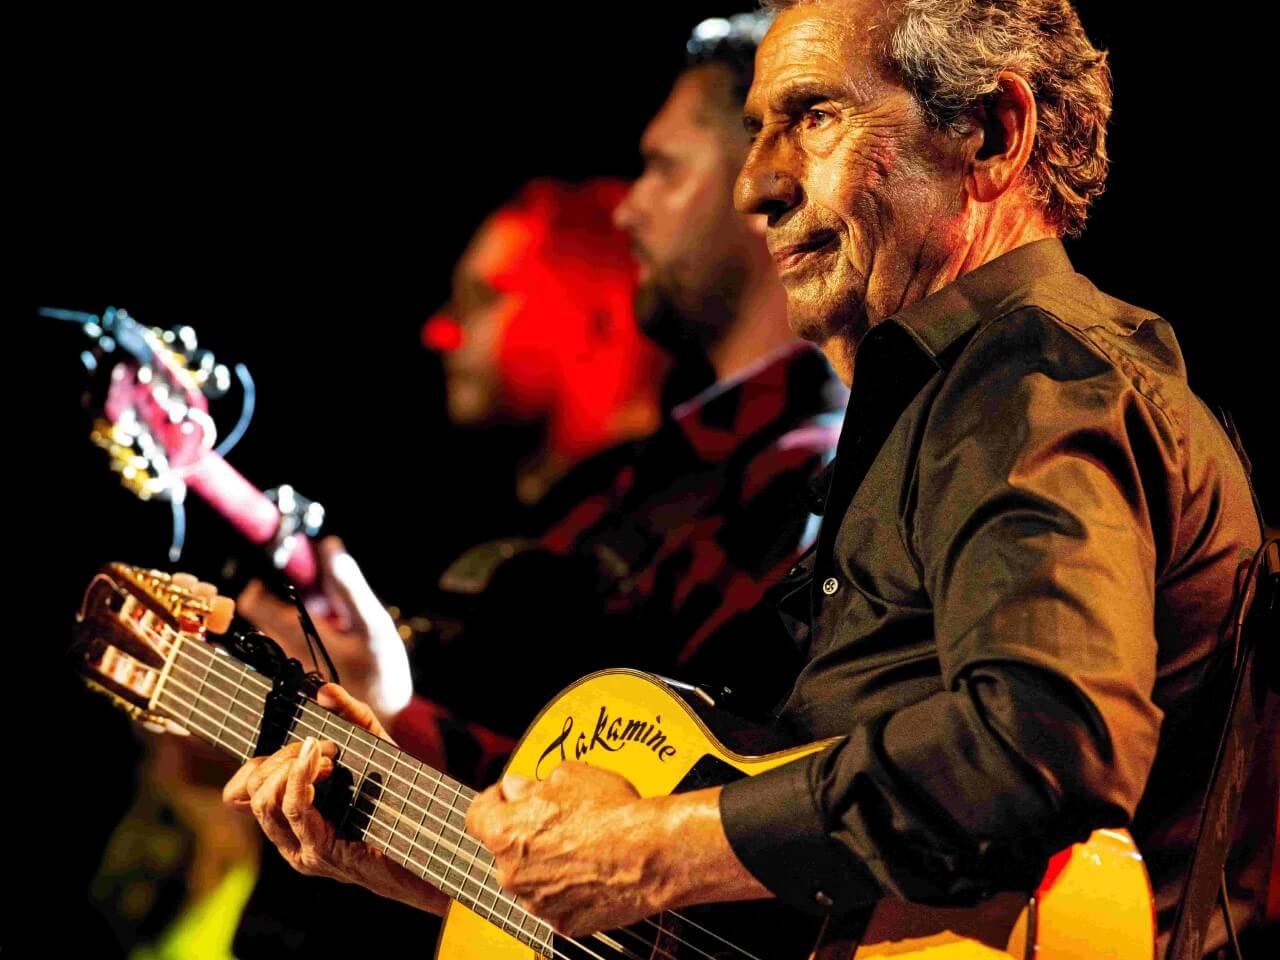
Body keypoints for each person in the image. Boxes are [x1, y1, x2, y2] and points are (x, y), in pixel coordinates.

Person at [226, 1, 1272, 956]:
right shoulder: (944, 404)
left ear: (991, 135)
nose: (755, 184)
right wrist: (442, 858)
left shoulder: (1034, 381)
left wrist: (651, 849)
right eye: (758, 128)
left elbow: (1040, 743)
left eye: (813, 118)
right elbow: (799, 897)